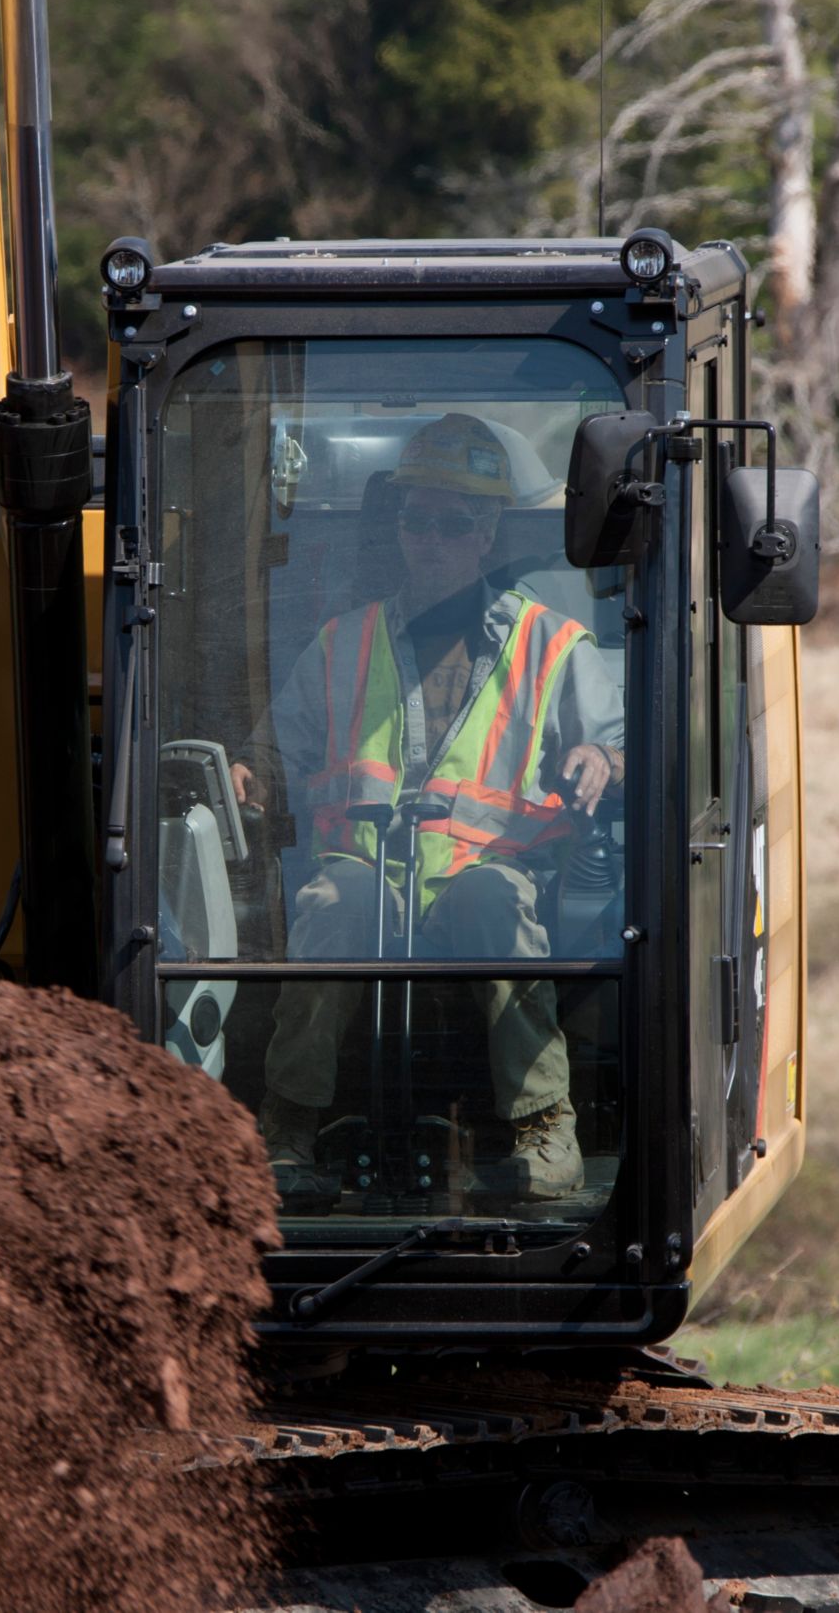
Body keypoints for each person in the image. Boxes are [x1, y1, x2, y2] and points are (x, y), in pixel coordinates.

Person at [230, 412, 623, 1200]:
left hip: (486, 870)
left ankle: (545, 1128)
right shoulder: (343, 643)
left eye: (453, 524)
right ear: (399, 528)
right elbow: (276, 749)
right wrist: (249, 775)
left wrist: (601, 760)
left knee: (493, 907)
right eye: (417, 521)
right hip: (369, 876)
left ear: (487, 533)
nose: (431, 540)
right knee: (334, 902)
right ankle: (288, 1129)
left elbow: (619, 744)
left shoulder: (549, 645)